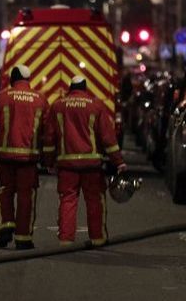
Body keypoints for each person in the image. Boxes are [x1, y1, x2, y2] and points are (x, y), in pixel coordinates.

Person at [43, 76, 127, 247]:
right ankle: (98, 238)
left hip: (67, 165)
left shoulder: (58, 106)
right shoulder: (96, 105)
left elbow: (49, 138)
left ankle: (66, 240)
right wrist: (118, 162)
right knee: (95, 200)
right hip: (92, 166)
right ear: (85, 88)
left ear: (70, 87)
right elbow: (108, 138)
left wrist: (49, 162)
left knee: (68, 200)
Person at [0, 64, 48, 250]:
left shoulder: (1, 98)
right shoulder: (40, 100)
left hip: (6, 158)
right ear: (28, 79)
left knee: (4, 192)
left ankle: (6, 227)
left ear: (12, 79)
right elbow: (46, 133)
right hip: (29, 160)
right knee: (26, 197)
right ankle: (23, 238)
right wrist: (48, 159)